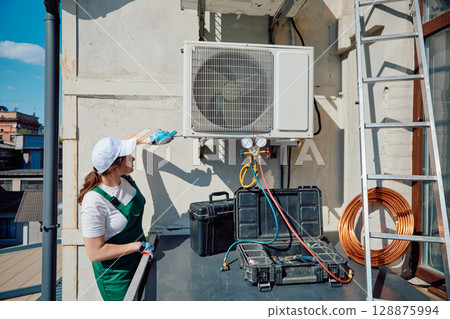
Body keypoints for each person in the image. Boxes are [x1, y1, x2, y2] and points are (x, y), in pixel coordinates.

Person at [77, 129, 175, 301]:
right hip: (117, 277)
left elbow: (129, 139)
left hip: (139, 260)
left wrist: (150, 140)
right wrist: (137, 246)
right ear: (114, 168)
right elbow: (95, 253)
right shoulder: (94, 201)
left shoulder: (125, 180)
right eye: (128, 157)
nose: (133, 158)